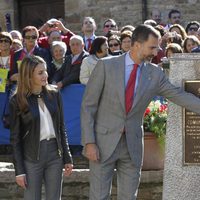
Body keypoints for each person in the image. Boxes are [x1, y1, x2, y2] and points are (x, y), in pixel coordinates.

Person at [81, 24, 200, 200]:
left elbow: (178, 95)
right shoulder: (105, 66)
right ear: (137, 44)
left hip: (133, 145)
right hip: (101, 143)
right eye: (152, 47)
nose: (156, 51)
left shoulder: (155, 73)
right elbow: (88, 106)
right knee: (99, 196)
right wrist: (89, 142)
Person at [9, 55, 73, 200]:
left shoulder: (54, 94)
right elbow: (15, 139)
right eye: (40, 73)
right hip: (31, 156)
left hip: (55, 155)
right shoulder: (17, 100)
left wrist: (67, 157)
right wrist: (19, 171)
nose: (45, 75)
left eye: (45, 71)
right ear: (28, 75)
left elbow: (61, 127)